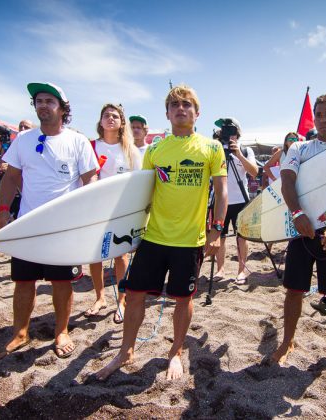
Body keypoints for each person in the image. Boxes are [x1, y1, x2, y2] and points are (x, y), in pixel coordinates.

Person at [92, 84, 227, 381]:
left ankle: (175, 353)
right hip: (153, 237)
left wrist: (217, 231)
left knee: (183, 299)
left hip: (190, 240)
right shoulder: (154, 150)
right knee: (135, 293)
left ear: (197, 112)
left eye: (187, 104)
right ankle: (126, 350)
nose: (181, 109)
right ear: (166, 113)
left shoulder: (211, 148)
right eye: (175, 105)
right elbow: (143, 195)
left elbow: (221, 191)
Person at [0, 82, 99, 362]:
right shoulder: (24, 140)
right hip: (29, 225)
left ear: (62, 108)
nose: (43, 105)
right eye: (38, 101)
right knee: (23, 281)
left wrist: (89, 218)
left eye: (50, 101)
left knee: (62, 282)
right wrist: (2, 212)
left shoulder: (77, 140)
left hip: (63, 227)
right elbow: (11, 177)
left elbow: (91, 180)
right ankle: (20, 333)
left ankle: (61, 331)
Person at [270, 93, 326, 371]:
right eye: (318, 114)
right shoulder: (299, 148)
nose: (322, 120)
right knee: (293, 291)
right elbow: (286, 182)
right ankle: (287, 341)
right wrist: (297, 213)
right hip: (301, 228)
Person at [86, 104, 142, 323]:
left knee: (120, 255)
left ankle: (122, 300)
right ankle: (100, 297)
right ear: (100, 121)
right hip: (94, 211)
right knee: (94, 255)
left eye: (115, 116)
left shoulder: (130, 150)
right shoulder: (90, 146)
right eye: (106, 115)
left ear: (122, 122)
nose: (110, 118)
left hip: (121, 211)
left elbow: (138, 184)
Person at [213, 117, 258, 284]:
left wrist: (237, 153)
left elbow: (254, 172)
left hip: (240, 200)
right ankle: (220, 269)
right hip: (221, 200)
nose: (225, 132)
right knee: (221, 236)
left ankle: (241, 270)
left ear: (237, 132)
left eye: (229, 129)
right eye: (223, 130)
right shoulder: (216, 150)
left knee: (241, 237)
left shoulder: (246, 151)